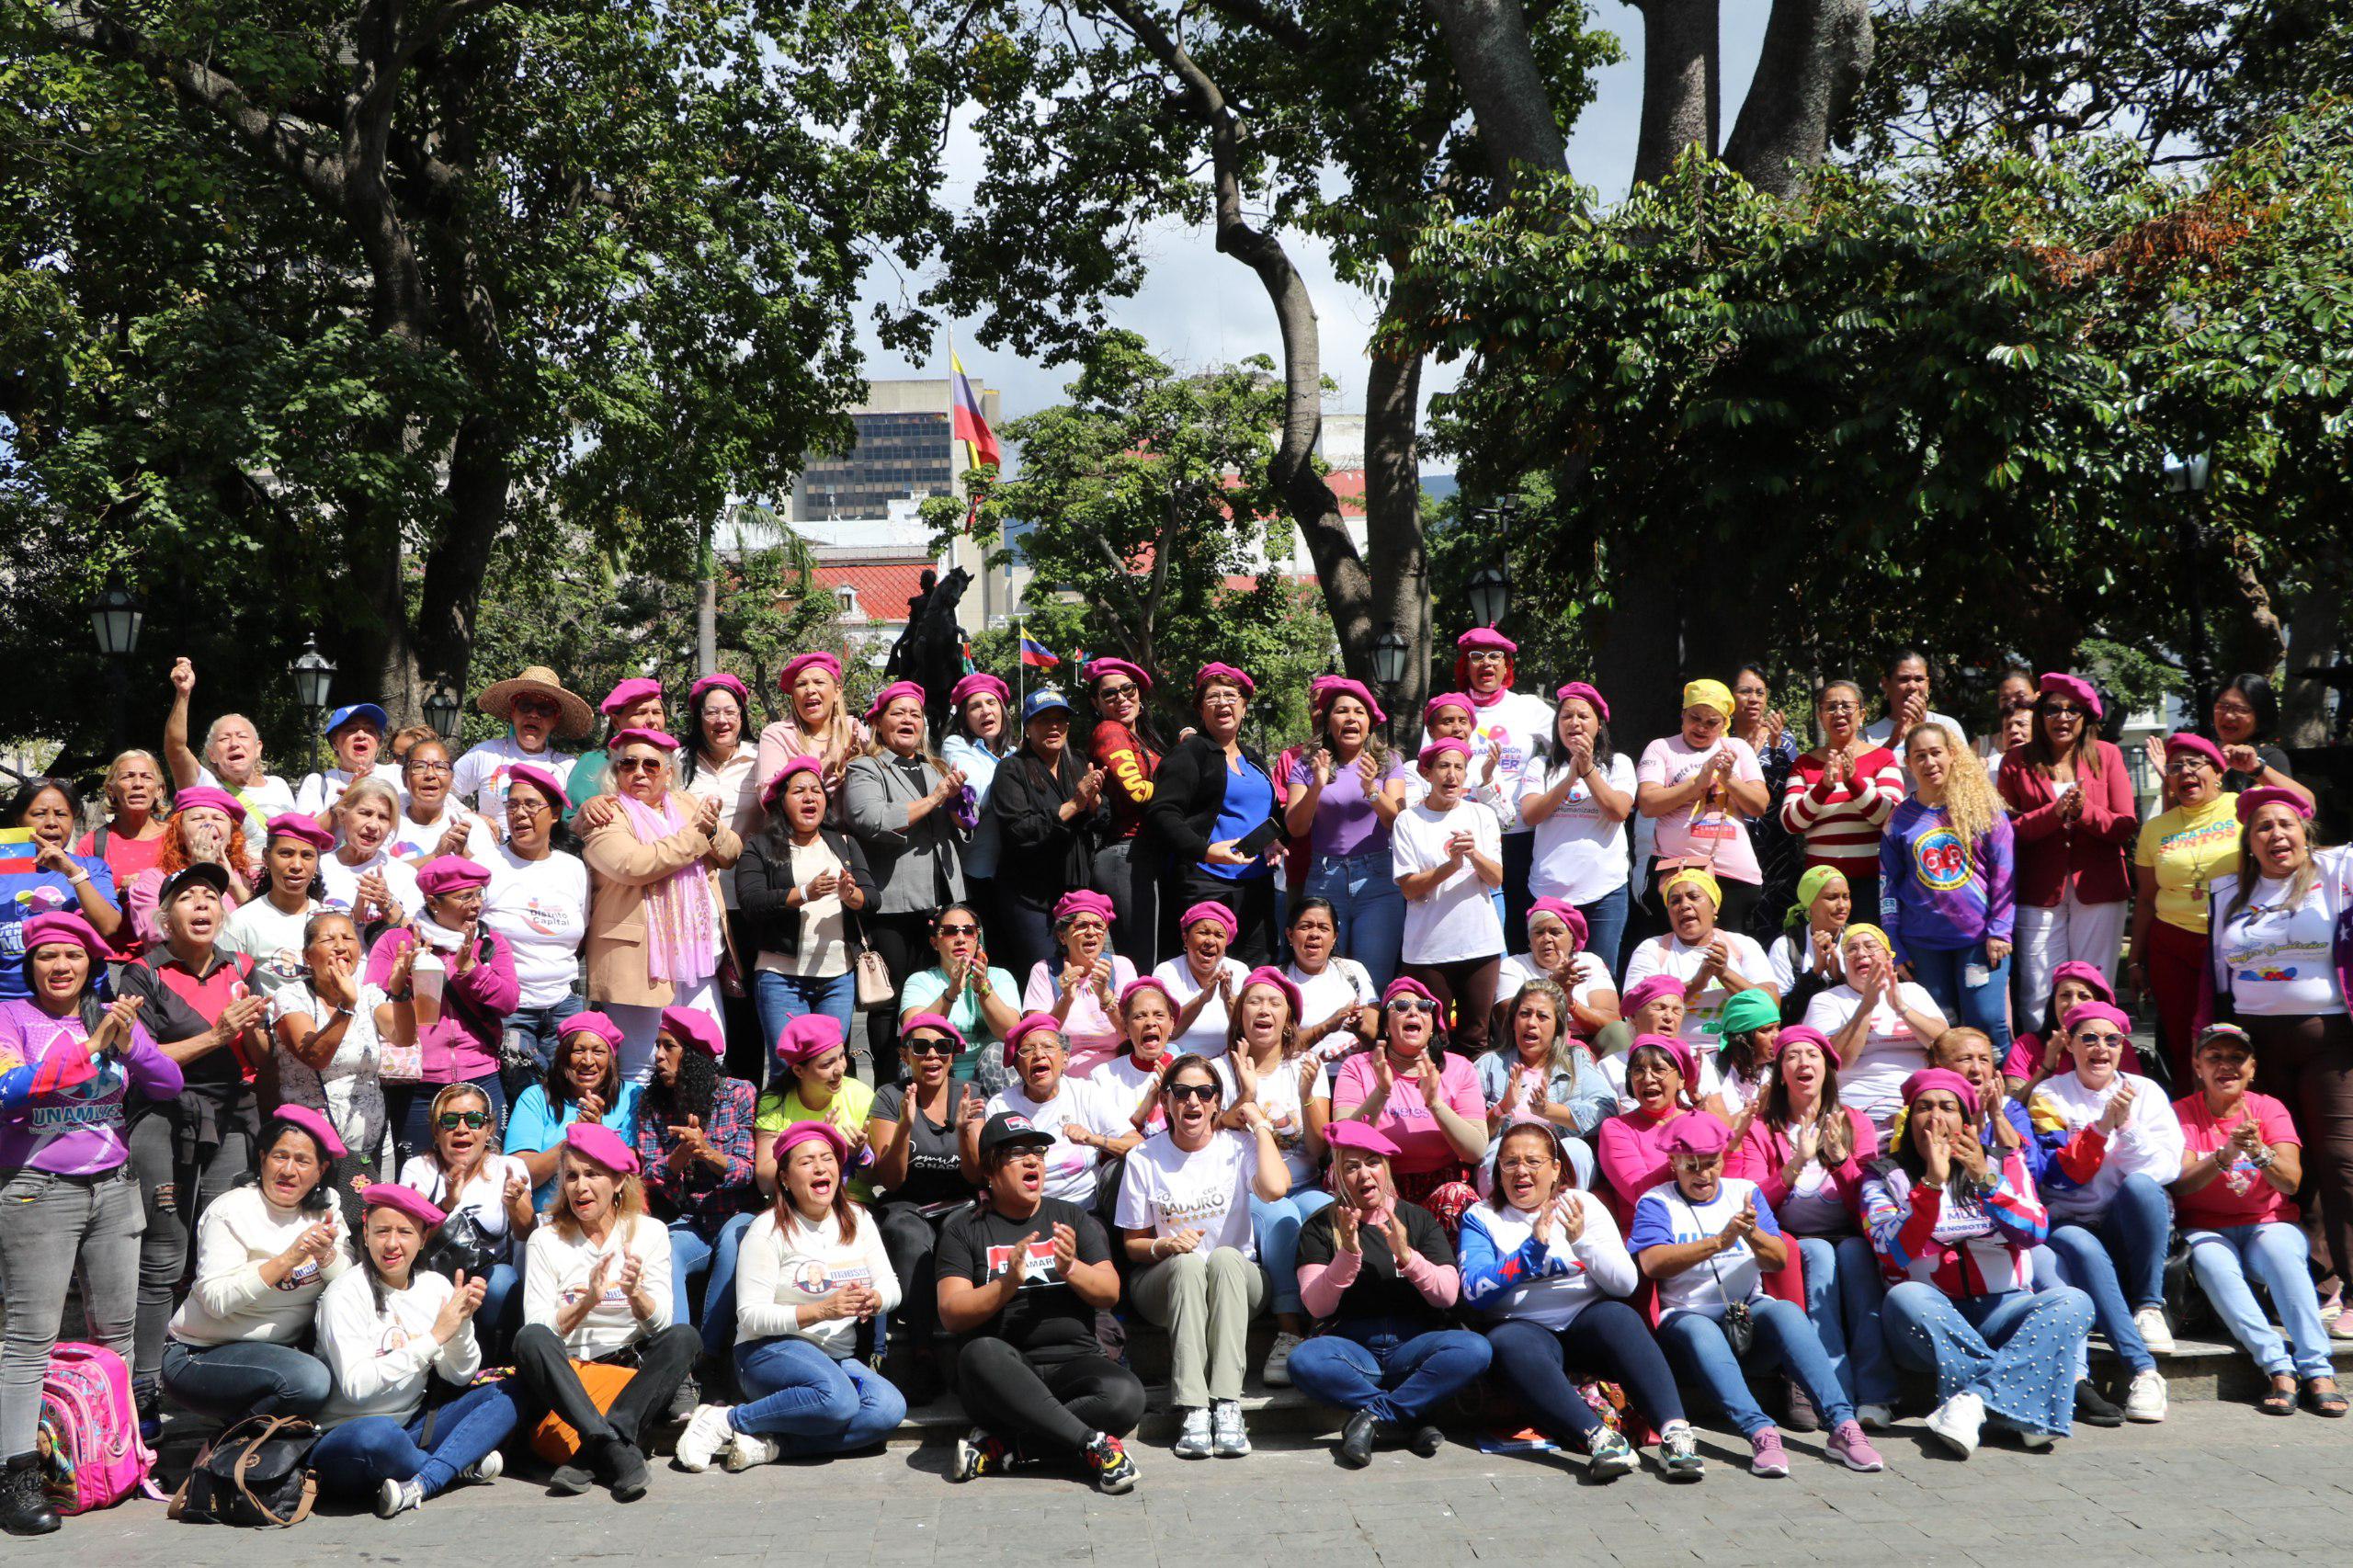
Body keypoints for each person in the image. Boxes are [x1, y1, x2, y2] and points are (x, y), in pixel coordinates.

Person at [0, 912, 182, 1535]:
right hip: (37, 1193)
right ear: (30, 966)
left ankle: (116, 1462)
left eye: (72, 956)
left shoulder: (109, 1019)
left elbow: (168, 1081)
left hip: (114, 1189)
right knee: (29, 1337)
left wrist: (129, 1043)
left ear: (90, 966)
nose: (61, 967)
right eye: (48, 956)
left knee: (118, 1332)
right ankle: (16, 1478)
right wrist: (94, 1047)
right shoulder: (11, 1019)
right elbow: (9, 1090)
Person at [1630, 1116, 1884, 1477]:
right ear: (1673, 1163)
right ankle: (1760, 1433)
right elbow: (1653, 1263)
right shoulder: (1656, 1201)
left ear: (1723, 1158)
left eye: (1711, 1163)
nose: (1702, 1174)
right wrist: (1719, 1242)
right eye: (1691, 1165)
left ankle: (1843, 1426)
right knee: (1701, 1331)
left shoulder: (1745, 1192)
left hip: (1747, 1317)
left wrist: (1750, 1233)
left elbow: (1778, 1259)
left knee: (1787, 1314)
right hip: (1688, 1321)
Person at [1864, 1068, 2091, 1456]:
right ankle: (2026, 1405)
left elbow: (2033, 1231)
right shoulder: (1883, 1175)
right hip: (1929, 1323)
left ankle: (1971, 1401)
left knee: (2074, 1301)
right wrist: (1931, 1186)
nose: (1935, 1118)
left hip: (2005, 1309)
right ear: (1909, 1118)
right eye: (1923, 1108)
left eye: (1947, 1108)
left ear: (1966, 1122)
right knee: (1907, 1296)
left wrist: (1986, 1180)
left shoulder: (2004, 1163)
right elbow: (1891, 1250)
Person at [1464, 1116, 1702, 1480]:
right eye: (1510, 1162)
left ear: (1556, 1168)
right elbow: (1475, 1291)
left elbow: (1624, 1283)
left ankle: (1675, 1434)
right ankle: (1600, 1439)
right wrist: (1530, 1252)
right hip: (1525, 1327)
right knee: (1507, 1342)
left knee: (1620, 1318)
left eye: (1533, 1161)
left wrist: (1581, 1241)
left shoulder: (1582, 1205)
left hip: (1584, 1321)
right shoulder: (1482, 1216)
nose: (1520, 1172)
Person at [119, 864, 274, 1396]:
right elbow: (143, 1059)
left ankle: (210, 1379)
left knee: (220, 1250)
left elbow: (261, 1056)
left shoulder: (242, 967)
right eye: (187, 897)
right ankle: (143, 1385)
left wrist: (249, 1032)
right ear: (166, 917)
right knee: (164, 1252)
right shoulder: (143, 972)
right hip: (163, 1117)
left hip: (233, 1117)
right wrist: (217, 1035)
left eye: (212, 895)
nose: (203, 904)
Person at [673, 1119, 904, 1471]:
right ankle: (728, 1420)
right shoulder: (767, 1229)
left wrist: (875, 1298)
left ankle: (775, 1446)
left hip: (835, 1356)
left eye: (827, 1158)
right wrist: (821, 1310)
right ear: (784, 1177)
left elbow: (891, 1286)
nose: (820, 1167)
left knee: (887, 1409)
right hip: (766, 1351)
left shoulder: (859, 1219)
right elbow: (750, 1317)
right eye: (806, 1161)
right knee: (838, 1401)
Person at [938, 1110, 1144, 1491]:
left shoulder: (1071, 1217)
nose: (1033, 1159)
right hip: (1005, 1374)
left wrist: (1071, 1268)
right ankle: (1091, 1444)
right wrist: (1007, 1283)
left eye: (1038, 1152)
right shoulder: (963, 1230)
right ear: (989, 1170)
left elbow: (1110, 1291)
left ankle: (1004, 1448)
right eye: (1017, 1152)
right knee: (979, 1352)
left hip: (1074, 1365)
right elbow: (952, 1313)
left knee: (1127, 1397)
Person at [2209, 786, 2353, 1297]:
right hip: (2257, 1048)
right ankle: (2314, 1278)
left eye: (2286, 824)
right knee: (2288, 1162)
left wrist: (2258, 769)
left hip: (2327, 1040)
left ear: (2305, 832)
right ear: (2249, 842)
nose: (2276, 835)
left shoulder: (2337, 872)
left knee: (2340, 1160)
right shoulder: (2228, 891)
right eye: (2263, 827)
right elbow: (2217, 980)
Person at [1288, 1121, 1492, 1467]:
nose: (1364, 1174)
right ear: (1337, 1175)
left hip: (1414, 1348)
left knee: (1475, 1349)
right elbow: (1316, 1305)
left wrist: (1409, 1258)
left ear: (1386, 1168)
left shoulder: (1418, 1220)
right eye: (1351, 1167)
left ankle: (1374, 1418)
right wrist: (1348, 1254)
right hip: (1352, 1349)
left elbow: (1446, 1295)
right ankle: (1408, 1420)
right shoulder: (1320, 1226)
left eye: (1372, 1162)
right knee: (1304, 1360)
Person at [513, 1123, 699, 1499]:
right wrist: (586, 1303)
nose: (580, 1186)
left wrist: (635, 1295)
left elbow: (661, 1320)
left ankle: (595, 1449)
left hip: (630, 1371)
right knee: (528, 1339)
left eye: (592, 1175)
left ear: (617, 1182)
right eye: (572, 1176)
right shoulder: (545, 1239)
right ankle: (615, 1446)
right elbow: (538, 1329)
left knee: (684, 1337)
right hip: (571, 1375)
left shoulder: (649, 1232)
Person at [309, 1183, 517, 1517]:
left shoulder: (434, 1285)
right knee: (377, 1435)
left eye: (405, 1232)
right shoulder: (344, 1293)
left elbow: (458, 1374)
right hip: (349, 1435)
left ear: (422, 1239)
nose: (392, 1243)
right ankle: (449, 1467)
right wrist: (434, 1337)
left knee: (506, 1392)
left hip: (414, 1430)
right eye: (382, 1231)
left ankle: (422, 1480)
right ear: (365, 1233)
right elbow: (357, 1386)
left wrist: (460, 1325)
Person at [1116, 1054, 1288, 1458]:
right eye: (1181, 1092)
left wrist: (1260, 1125)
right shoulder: (1143, 1158)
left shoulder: (1238, 1147)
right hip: (1168, 1281)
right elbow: (1133, 1245)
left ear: (1215, 1103)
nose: (1193, 1101)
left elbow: (1277, 1189)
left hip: (1235, 1282)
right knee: (1191, 1263)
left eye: (1204, 1092)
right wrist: (1165, 1246)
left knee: (1224, 1258)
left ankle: (1227, 1405)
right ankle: (1194, 1407)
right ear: (1166, 1101)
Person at [2170, 1024, 2344, 1415]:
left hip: (2269, 1223)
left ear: (2252, 1068)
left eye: (2236, 1058)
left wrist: (2259, 1150)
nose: (2226, 1066)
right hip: (2206, 1227)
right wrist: (2225, 1154)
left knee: (2282, 1253)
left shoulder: (2269, 1108)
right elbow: (2181, 1185)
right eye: (2214, 1057)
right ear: (2198, 1066)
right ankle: (2278, 1367)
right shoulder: (2181, 1112)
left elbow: (2291, 1180)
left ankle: (2318, 1368)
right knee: (2214, 1260)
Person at [1729, 1024, 1896, 1428]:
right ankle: (1827, 1386)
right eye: (1791, 1056)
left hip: (1851, 1234)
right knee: (1819, 1254)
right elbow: (1754, 1203)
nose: (1803, 1063)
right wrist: (1795, 1165)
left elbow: (1869, 1204)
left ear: (1829, 1068)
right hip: (1794, 1237)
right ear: (1780, 1071)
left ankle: (1875, 1394)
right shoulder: (1761, 1128)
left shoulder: (1855, 1121)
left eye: (1813, 1055)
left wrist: (1840, 1161)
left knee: (1857, 1256)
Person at [2029, 1001, 2181, 1422]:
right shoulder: (2048, 1095)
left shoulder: (2145, 1091)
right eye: (2089, 1039)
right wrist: (2101, 1127)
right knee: (2081, 1242)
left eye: (2111, 1039)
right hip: (2069, 1223)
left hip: (2125, 1225)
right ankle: (2145, 1372)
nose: (2101, 1048)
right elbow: (2057, 1178)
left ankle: (2149, 1305)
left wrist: (2126, 1124)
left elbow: (2164, 1169)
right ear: (2070, 1046)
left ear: (2122, 1046)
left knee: (2141, 1186)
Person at [160, 1106, 354, 1426]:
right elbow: (215, 1301)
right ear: (262, 1158)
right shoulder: (231, 1210)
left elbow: (346, 1284)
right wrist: (288, 1258)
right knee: (310, 1380)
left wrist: (325, 1256)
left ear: (321, 1170)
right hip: (201, 1353)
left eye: (303, 1161)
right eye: (280, 1156)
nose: (289, 1170)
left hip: (279, 1354)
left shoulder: (327, 1206)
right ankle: (224, 1446)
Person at [579, 727, 740, 1084]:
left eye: (651, 765)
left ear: (668, 774)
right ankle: (640, 1140)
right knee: (642, 1065)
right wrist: (697, 834)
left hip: (698, 960)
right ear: (615, 771)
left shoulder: (685, 804)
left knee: (708, 1055)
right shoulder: (606, 813)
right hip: (638, 963)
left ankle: (699, 1136)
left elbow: (730, 852)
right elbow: (635, 865)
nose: (639, 772)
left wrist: (711, 829)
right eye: (628, 764)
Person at [1208, 970, 1335, 1386]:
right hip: (1248, 1187)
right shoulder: (1217, 1070)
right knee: (1282, 1218)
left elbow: (1317, 1152)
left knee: (1326, 1214)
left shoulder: (1305, 1068)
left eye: (1274, 1003)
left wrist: (1306, 1097)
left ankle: (1327, 1324)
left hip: (1305, 1184)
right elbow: (1207, 1130)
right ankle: (1288, 1331)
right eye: (1254, 1002)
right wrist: (1246, 1097)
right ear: (1239, 1015)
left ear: (1289, 1019)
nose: (1264, 1009)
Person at [1998, 673, 2136, 1030]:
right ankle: (2042, 1066)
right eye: (2053, 709)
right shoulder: (2015, 761)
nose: (2062, 717)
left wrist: (2084, 812)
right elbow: (2005, 831)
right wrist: (2054, 812)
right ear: (2040, 716)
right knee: (2039, 990)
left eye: (2072, 710)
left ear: (2086, 716)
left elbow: (2125, 824)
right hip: (2038, 889)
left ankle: (2096, 1057)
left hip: (2099, 885)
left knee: (2094, 982)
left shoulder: (2107, 755)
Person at [845, 680, 969, 1068]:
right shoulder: (864, 768)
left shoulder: (937, 767)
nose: (908, 720)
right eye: (897, 713)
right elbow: (870, 819)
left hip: (942, 902)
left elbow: (962, 828)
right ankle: (886, 1086)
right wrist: (935, 799)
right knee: (891, 1000)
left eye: (915, 714)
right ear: (878, 723)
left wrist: (960, 807)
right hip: (893, 907)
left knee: (935, 994)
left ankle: (930, 1074)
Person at [634, 1006, 756, 1396]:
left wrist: (706, 1153)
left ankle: (711, 1353)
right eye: (657, 1045)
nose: (657, 1055)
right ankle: (681, 1366)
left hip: (733, 1214)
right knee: (666, 1247)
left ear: (695, 1056)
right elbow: (649, 1176)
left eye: (668, 1046)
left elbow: (746, 1170)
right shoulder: (652, 1103)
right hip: (689, 1220)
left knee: (738, 1242)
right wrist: (680, 1158)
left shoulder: (739, 1093)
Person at [367, 856, 518, 1163]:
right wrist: (403, 983)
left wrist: (473, 971)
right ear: (433, 901)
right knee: (415, 1176)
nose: (476, 904)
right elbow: (375, 1004)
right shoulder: (395, 943)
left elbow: (509, 1002)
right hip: (417, 1084)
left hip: (481, 1077)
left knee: (486, 1173)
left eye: (479, 894)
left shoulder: (490, 943)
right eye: (465, 897)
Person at [1881, 721, 2014, 1053]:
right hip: (1922, 944)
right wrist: (1894, 943)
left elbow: (2005, 876)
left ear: (1953, 755)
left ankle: (2006, 1095)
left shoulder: (1985, 811)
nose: (1929, 763)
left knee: (1987, 1020)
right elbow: (1888, 887)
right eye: (1919, 756)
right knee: (1941, 1029)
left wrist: (2000, 930)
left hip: (1979, 940)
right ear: (1908, 764)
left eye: (1936, 753)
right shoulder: (1898, 819)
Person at [863, 1014, 974, 1403]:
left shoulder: (969, 1094)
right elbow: (889, 1180)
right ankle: (923, 1351)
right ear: (905, 1054)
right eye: (921, 1047)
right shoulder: (890, 1098)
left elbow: (979, 1176)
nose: (931, 1054)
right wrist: (906, 1127)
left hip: (960, 1200)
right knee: (909, 1238)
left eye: (942, 1047)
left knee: (963, 1234)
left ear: (952, 1055)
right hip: (905, 1203)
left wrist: (963, 1131)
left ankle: (971, 1350)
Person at [1141, 665, 1281, 966]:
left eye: (1231, 696)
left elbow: (1269, 813)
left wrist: (1273, 840)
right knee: (1207, 974)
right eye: (1213, 697)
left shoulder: (1254, 758)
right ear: (1200, 709)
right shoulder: (1189, 753)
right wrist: (1205, 851)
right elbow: (1162, 813)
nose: (1223, 703)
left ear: (1244, 707)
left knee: (1256, 975)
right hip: (1207, 883)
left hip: (1257, 885)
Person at [1420, 629, 1555, 938]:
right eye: (1476, 657)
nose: (1486, 664)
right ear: (1464, 667)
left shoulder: (1527, 706)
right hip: (1461, 833)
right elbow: (1426, 768)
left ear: (1507, 666)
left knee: (1519, 924)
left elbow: (1564, 750)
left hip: (1517, 833)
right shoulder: (1447, 710)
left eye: (1495, 656)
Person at [737, 754, 875, 1053]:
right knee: (787, 1068)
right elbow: (751, 902)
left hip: (838, 978)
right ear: (781, 801)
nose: (809, 797)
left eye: (816, 790)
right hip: (780, 978)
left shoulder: (844, 842)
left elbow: (872, 898)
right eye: (799, 791)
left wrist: (850, 894)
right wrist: (804, 893)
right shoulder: (759, 846)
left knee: (829, 1065)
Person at [1329, 978, 1485, 1235]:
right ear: (1386, 1026)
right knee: (1345, 1178)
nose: (1414, 1011)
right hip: (1377, 1182)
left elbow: (1476, 1150)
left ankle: (1448, 1273)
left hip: (1438, 1185)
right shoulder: (1358, 1066)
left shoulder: (1460, 1068)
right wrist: (1381, 1092)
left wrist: (1434, 1103)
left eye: (1424, 1007)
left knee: (1459, 1195)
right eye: (1401, 1006)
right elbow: (1343, 1142)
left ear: (1432, 1025)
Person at [1286, 676, 1409, 989]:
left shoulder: (1387, 762)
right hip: (1325, 878)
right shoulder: (1306, 764)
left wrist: (1371, 790)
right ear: (1329, 721)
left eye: (1359, 711)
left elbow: (1397, 822)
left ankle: (1369, 1037)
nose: (1351, 717)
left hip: (1378, 879)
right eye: (1342, 711)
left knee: (1373, 980)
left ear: (1370, 723)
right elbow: (1296, 828)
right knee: (1324, 978)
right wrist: (1317, 783)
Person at [394, 1080, 535, 1349]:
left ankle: (497, 1359)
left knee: (502, 1282)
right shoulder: (418, 1169)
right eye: (449, 1121)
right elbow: (409, 1238)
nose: (462, 1129)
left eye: (473, 1119)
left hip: (491, 1282)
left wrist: (515, 1203)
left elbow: (528, 1233)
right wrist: (447, 1203)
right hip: (435, 1278)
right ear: (436, 1132)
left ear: (489, 1129)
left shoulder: (510, 1166)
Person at [2131, 733, 2240, 1080]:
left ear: (2219, 773)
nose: (2185, 772)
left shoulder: (2243, 808)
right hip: (2171, 944)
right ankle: (2188, 1115)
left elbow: (2305, 805)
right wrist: (2134, 960)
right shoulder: (2154, 829)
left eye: (2195, 764)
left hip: (2232, 943)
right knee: (2182, 1040)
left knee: (2233, 1033)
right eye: (2176, 767)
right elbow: (2146, 900)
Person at [269, 912, 403, 1191]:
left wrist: (401, 993)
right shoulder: (291, 996)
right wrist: (346, 1007)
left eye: (348, 938)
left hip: (375, 1141)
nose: (341, 946)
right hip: (311, 1147)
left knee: (373, 1222)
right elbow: (315, 1056)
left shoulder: (370, 994)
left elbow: (403, 1035)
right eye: (329, 939)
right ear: (307, 956)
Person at [988, 687, 1109, 989]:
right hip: (1030, 897)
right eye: (1043, 720)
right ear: (1027, 728)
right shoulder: (1011, 769)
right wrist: (1072, 806)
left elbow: (1104, 819)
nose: (1053, 727)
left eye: (1060, 720)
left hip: (1076, 893)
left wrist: (1094, 803)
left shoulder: (1079, 762)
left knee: (1087, 978)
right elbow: (1020, 831)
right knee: (1046, 978)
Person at [1392, 738, 1506, 1059]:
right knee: (1430, 1040)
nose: (1452, 775)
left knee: (1475, 1037)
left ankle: (1472, 1106)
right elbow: (1409, 888)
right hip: (1428, 950)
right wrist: (1450, 866)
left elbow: (1496, 877)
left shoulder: (1481, 814)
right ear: (1427, 773)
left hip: (1479, 945)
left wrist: (1473, 855)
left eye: (1459, 768)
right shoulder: (1409, 821)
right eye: (1444, 766)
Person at [1516, 682, 1636, 978]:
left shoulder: (1618, 764)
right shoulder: (1540, 766)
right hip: (1550, 892)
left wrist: (1588, 771)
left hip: (1604, 892)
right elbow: (1531, 814)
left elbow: (1618, 811)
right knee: (1549, 976)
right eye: (1566, 716)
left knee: (1599, 976)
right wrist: (1569, 777)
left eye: (1583, 716)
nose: (1574, 723)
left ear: (1599, 725)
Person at [483, 766, 588, 1096]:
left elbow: (579, 933)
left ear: (555, 813)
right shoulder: (488, 865)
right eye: (512, 805)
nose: (520, 814)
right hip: (511, 1010)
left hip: (565, 1004)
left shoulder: (572, 868)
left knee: (569, 1094)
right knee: (527, 1095)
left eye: (531, 805)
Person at [1636, 679, 1771, 935]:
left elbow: (1759, 805)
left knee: (1730, 954)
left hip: (1733, 875)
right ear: (1683, 715)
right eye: (1695, 718)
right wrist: (1698, 783)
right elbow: (1648, 804)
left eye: (1712, 723)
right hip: (1678, 871)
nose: (1701, 727)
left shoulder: (1738, 748)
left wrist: (1728, 778)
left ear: (1724, 724)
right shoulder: (1661, 747)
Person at [973, 1015, 1138, 1211]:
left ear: (1065, 1058)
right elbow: (990, 1172)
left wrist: (1092, 1140)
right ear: (1017, 1066)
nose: (1039, 1055)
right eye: (1027, 1050)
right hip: (1028, 1211)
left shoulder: (1086, 1093)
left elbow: (1137, 1145)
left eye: (1048, 1047)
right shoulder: (1001, 1105)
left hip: (1085, 1209)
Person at [1621, 866, 1776, 1069]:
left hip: (1737, 1056)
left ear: (1714, 908)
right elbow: (1636, 1007)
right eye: (1675, 901)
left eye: (1694, 897)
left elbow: (1772, 1003)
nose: (1684, 905)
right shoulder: (1652, 948)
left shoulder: (1743, 945)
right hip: (1669, 1057)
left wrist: (1725, 973)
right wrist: (1697, 983)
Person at [1802, 923, 1948, 1131]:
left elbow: (1945, 1047)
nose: (1861, 953)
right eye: (1851, 949)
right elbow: (1834, 1061)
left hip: (1919, 1105)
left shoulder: (1913, 992)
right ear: (1844, 963)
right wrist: (1866, 1006)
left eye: (1870, 946)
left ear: (1889, 958)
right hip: (1857, 1108)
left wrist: (1901, 1008)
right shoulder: (1827, 1000)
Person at [1780, 680, 1903, 925]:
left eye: (1847, 706)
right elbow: (1791, 822)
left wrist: (1853, 781)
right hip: (1821, 886)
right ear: (1820, 715)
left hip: (1872, 882)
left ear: (1862, 714)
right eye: (1830, 707)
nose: (1839, 713)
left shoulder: (1882, 758)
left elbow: (1891, 818)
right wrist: (1823, 788)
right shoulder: (1804, 764)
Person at [1, 779, 127, 998]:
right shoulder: (4, 869)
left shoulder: (92, 869)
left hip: (85, 1002)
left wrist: (73, 873)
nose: (51, 823)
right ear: (19, 820)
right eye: (39, 814)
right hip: (9, 1004)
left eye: (61, 814)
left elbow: (108, 926)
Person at [503, 1012, 642, 1207]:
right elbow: (518, 1175)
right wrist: (573, 1140)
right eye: (578, 1051)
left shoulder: (631, 1095)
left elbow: (631, 1171)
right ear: (563, 1056)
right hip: (548, 1218)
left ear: (611, 1059)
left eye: (598, 1051)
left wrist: (598, 1133)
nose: (587, 1060)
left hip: (611, 1217)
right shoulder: (536, 1097)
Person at [1082, 658, 1165, 971]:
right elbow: (1136, 791)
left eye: (1127, 689)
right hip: (1125, 854)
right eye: (1110, 694)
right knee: (1139, 964)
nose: (1121, 698)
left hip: (1141, 855)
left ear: (1139, 693)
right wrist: (1181, 794)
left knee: (1147, 958)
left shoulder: (1142, 736)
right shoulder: (1110, 731)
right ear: (1096, 702)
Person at [1595, 1035, 1729, 1225]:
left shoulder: (1700, 1122)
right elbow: (1639, 1193)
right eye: (1638, 1071)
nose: (1648, 1078)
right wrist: (1686, 1155)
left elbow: (1730, 1182)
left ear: (1681, 1081)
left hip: (1710, 1221)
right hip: (1651, 1231)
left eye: (1659, 1070)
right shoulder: (1617, 1128)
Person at [164, 656, 296, 837]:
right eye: (224, 739)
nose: (234, 743)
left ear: (258, 748)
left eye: (242, 736)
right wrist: (183, 694)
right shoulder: (206, 785)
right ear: (212, 754)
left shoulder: (279, 785)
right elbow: (176, 749)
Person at [898, 903, 1021, 1091]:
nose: (961, 939)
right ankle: (926, 1119)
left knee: (997, 1052)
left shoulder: (1000, 977)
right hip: (941, 1070)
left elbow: (1011, 1033)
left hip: (992, 1073)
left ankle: (1002, 1118)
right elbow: (913, 1031)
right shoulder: (920, 981)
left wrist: (983, 990)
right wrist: (951, 992)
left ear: (977, 938)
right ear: (934, 943)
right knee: (913, 1056)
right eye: (950, 931)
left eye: (969, 931)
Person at [1478, 978, 1616, 1141]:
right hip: (1508, 1159)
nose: (1531, 1023)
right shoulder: (1489, 1065)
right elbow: (1470, 1134)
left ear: (1557, 1028)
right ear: (1513, 1022)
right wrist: (1503, 1108)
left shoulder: (1576, 1060)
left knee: (1578, 1149)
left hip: (1560, 1158)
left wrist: (1548, 1110)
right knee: (1494, 1150)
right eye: (1524, 1014)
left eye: (1542, 1016)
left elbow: (1606, 1110)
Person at [121, 786, 256, 950]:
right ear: (180, 831)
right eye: (197, 818)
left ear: (231, 834)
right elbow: (155, 936)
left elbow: (263, 932)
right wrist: (201, 871)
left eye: (218, 818)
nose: (208, 824)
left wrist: (235, 888)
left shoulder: (251, 877)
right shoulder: (153, 880)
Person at [756, 1013, 873, 1199]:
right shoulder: (775, 1102)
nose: (840, 1069)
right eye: (827, 1064)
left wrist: (860, 1153)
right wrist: (819, 1141)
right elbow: (765, 1182)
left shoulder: (860, 1094)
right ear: (798, 1070)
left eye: (841, 1056)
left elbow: (875, 1179)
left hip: (853, 1203)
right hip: (796, 1208)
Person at [1021, 889, 1136, 1075]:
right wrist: (1066, 998)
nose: (1091, 932)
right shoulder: (1044, 971)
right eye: (1082, 925)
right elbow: (1037, 1038)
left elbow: (1133, 1035)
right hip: (1062, 1075)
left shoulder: (1121, 966)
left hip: (1117, 1073)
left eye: (1099, 926)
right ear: (1062, 936)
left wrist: (1106, 997)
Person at [457, 664, 591, 821]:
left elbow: (578, 815)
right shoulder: (484, 753)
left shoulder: (569, 767)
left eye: (545, 709)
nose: (534, 714)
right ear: (513, 712)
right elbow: (443, 795)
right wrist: (475, 820)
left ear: (555, 719)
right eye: (525, 706)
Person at [220, 814, 331, 998]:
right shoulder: (242, 923)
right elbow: (225, 990)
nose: (296, 865)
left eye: (307, 856)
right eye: (286, 853)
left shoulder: (330, 920)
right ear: (266, 858)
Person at [944, 672, 1015, 952]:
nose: (985, 710)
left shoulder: (1014, 751)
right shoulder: (956, 746)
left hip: (1016, 870)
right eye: (975, 706)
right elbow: (981, 793)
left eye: (991, 703)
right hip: (979, 871)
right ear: (965, 717)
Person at [1733, 664, 1805, 937]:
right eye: (1745, 691)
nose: (1754, 699)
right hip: (1736, 846)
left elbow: (1794, 788)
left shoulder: (1784, 738)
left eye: (1760, 692)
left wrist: (1774, 746)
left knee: (1780, 928)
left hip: (1778, 848)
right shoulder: (1721, 741)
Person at [2000, 961, 2143, 1098]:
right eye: (2065, 995)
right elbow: (2011, 1107)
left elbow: (2138, 1101)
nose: (2074, 1004)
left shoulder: (2116, 1046)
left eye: (2084, 996)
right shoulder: (2027, 1045)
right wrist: (2046, 1067)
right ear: (2053, 1001)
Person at [754, 652, 867, 820]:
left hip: (851, 840)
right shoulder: (777, 735)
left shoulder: (854, 729)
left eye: (819, 682)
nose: (810, 690)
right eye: (801, 684)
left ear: (837, 691)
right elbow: (770, 800)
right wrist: (828, 763)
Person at [74, 751, 172, 928]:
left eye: (146, 777)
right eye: (128, 777)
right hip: (115, 952)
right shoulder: (92, 843)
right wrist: (121, 893)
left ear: (159, 790)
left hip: (170, 951)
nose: (137, 784)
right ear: (111, 790)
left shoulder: (177, 836)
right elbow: (82, 902)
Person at [1151, 900, 1252, 1058]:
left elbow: (1248, 1034)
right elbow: (1169, 1031)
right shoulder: (1167, 971)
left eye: (1219, 935)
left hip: (1227, 1061)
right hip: (1178, 1063)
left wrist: (1229, 1000)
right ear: (1185, 938)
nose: (1210, 941)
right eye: (1203, 933)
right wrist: (1202, 999)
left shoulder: (1239, 971)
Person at [1283, 896, 1379, 1062]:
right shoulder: (1275, 979)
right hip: (1299, 1077)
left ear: (1334, 937)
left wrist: (1359, 1027)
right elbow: (1276, 1047)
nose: (1314, 934)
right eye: (1305, 927)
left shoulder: (1354, 971)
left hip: (1351, 1078)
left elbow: (1376, 1039)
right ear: (1290, 935)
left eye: (1323, 928)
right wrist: (1327, 1026)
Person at [565, 677, 667, 824]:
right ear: (615, 721)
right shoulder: (594, 763)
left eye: (657, 712)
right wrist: (586, 810)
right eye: (641, 713)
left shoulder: (671, 761)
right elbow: (570, 819)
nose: (651, 720)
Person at [387, 737, 498, 866]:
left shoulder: (473, 827)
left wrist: (464, 854)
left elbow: (491, 877)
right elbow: (375, 874)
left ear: (451, 779)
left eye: (440, 767)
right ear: (404, 779)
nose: (430, 775)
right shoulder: (387, 824)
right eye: (419, 767)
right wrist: (436, 856)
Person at [2209, 673, 2316, 797]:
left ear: (2261, 716)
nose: (2228, 716)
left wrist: (2257, 770)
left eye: (2241, 710)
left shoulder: (2270, 758)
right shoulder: (2196, 753)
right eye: (2222, 707)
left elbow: (2303, 802)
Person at [1768, 865, 1849, 1026]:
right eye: (1832, 897)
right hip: (1804, 1042)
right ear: (1810, 904)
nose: (1842, 905)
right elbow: (1781, 1017)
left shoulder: (1859, 941)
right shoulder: (1786, 946)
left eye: (1845, 896)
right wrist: (1815, 972)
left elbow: (1872, 1001)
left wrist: (1838, 977)